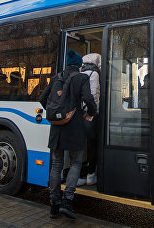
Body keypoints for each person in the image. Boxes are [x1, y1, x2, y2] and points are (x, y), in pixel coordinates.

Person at [39, 50, 96, 220]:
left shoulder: (56, 78)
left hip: (56, 128)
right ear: (79, 65)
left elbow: (43, 98)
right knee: (76, 162)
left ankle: (54, 205)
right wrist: (91, 113)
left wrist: (56, 114)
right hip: (74, 127)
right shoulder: (82, 78)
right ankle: (67, 201)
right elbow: (88, 98)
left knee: (57, 164)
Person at [78, 53, 101, 186]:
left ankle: (79, 172)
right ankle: (91, 173)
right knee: (92, 143)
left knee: (81, 144)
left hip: (79, 113)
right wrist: (94, 113)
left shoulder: (80, 73)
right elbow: (93, 96)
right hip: (90, 113)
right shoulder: (95, 74)